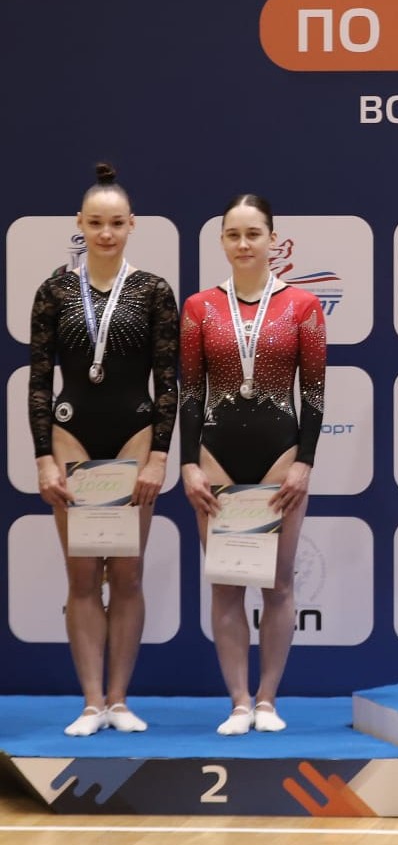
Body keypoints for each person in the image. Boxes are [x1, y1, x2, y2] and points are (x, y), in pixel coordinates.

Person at [28, 162, 178, 736]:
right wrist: (44, 456)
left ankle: (120, 699)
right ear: (80, 224)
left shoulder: (154, 291)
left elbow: (168, 381)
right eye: (96, 223)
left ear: (132, 224)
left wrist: (159, 455)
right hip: (72, 434)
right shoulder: (54, 291)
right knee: (84, 576)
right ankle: (91, 703)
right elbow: (38, 381)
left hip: (134, 435)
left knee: (129, 574)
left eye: (116, 223)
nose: (106, 233)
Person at [180, 194, 326, 736]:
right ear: (221, 240)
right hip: (215, 454)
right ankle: (239, 701)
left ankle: (267, 699)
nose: (243, 244)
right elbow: (190, 394)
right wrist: (188, 465)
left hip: (279, 455)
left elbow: (314, 394)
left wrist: (304, 462)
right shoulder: (199, 307)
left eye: (253, 234)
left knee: (278, 583)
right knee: (226, 583)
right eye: (233, 234)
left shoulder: (302, 305)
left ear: (273, 240)